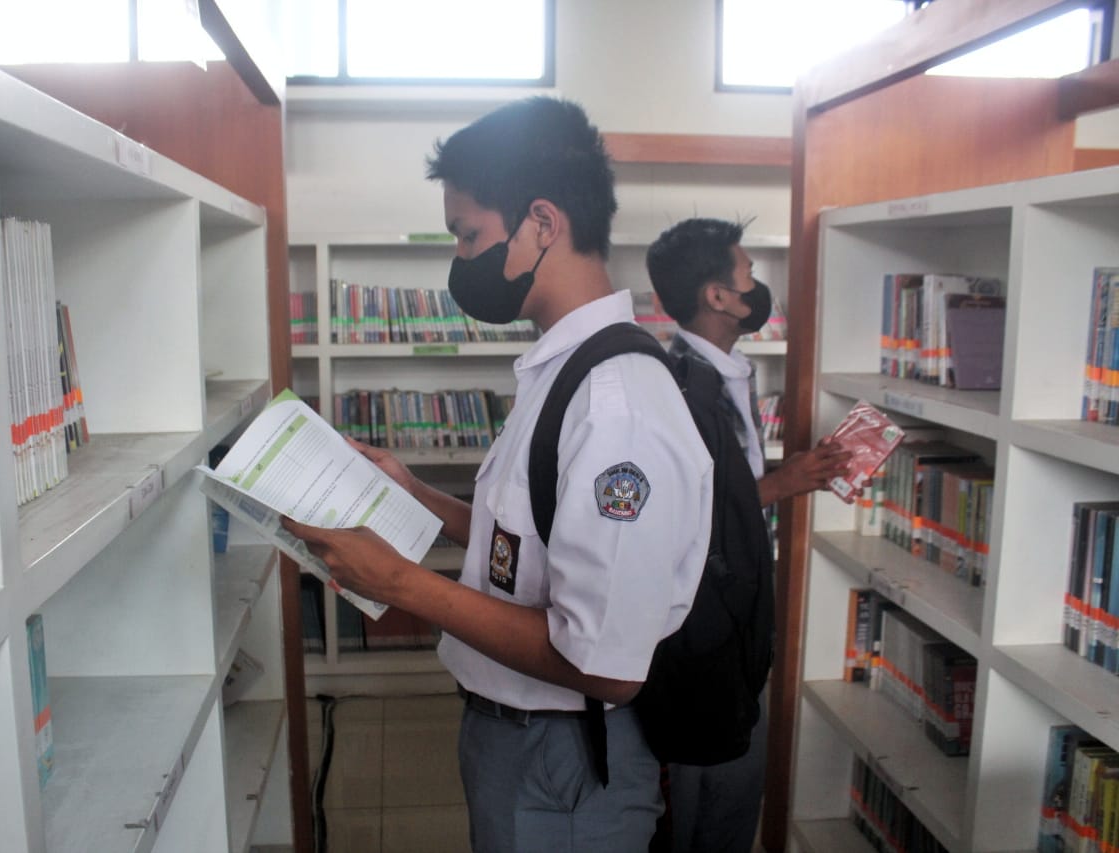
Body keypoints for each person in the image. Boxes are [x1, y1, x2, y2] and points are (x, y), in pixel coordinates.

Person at [282, 97, 713, 853]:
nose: (460, 260)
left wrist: (400, 583)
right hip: (520, 743)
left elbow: (606, 666)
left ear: (542, 223)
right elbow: (537, 534)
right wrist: (414, 494)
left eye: (469, 234)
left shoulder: (616, 410)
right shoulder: (565, 366)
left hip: (567, 762)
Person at [645, 217, 854, 853]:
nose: (757, 288)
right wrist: (780, 483)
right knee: (690, 810)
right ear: (718, 298)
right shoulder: (674, 385)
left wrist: (793, 476)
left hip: (736, 628)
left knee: (734, 798)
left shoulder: (732, 373)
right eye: (748, 277)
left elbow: (729, 481)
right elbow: (674, 512)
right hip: (696, 639)